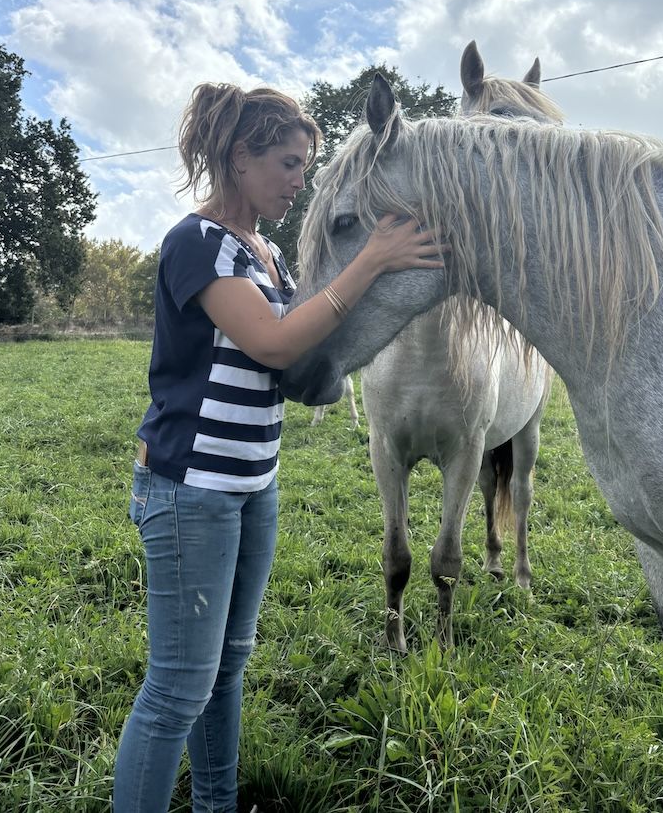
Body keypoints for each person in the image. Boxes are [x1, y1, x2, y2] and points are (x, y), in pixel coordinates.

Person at [113, 81, 446, 813]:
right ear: (241, 158)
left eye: (305, 165)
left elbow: (296, 360)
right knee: (176, 688)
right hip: (190, 489)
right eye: (290, 164)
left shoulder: (263, 252)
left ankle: (217, 803)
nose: (302, 181)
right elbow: (271, 341)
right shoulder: (195, 244)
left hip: (252, 486)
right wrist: (373, 260)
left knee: (228, 665)